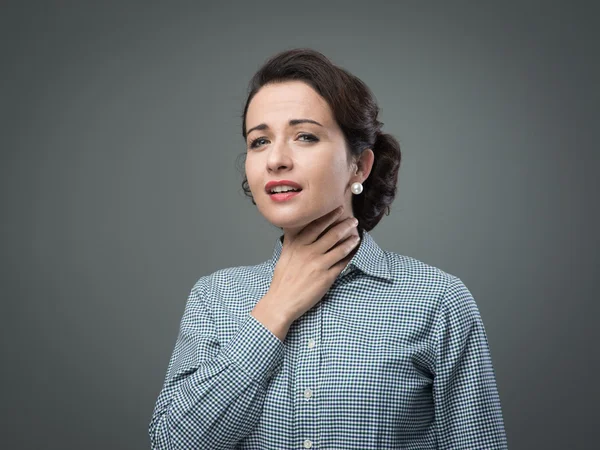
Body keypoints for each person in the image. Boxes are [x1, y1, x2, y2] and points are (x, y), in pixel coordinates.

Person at [148, 48, 508, 449]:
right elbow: (171, 443)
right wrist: (275, 309)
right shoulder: (214, 298)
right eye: (259, 141)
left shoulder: (436, 300)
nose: (276, 160)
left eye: (305, 136)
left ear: (359, 165)